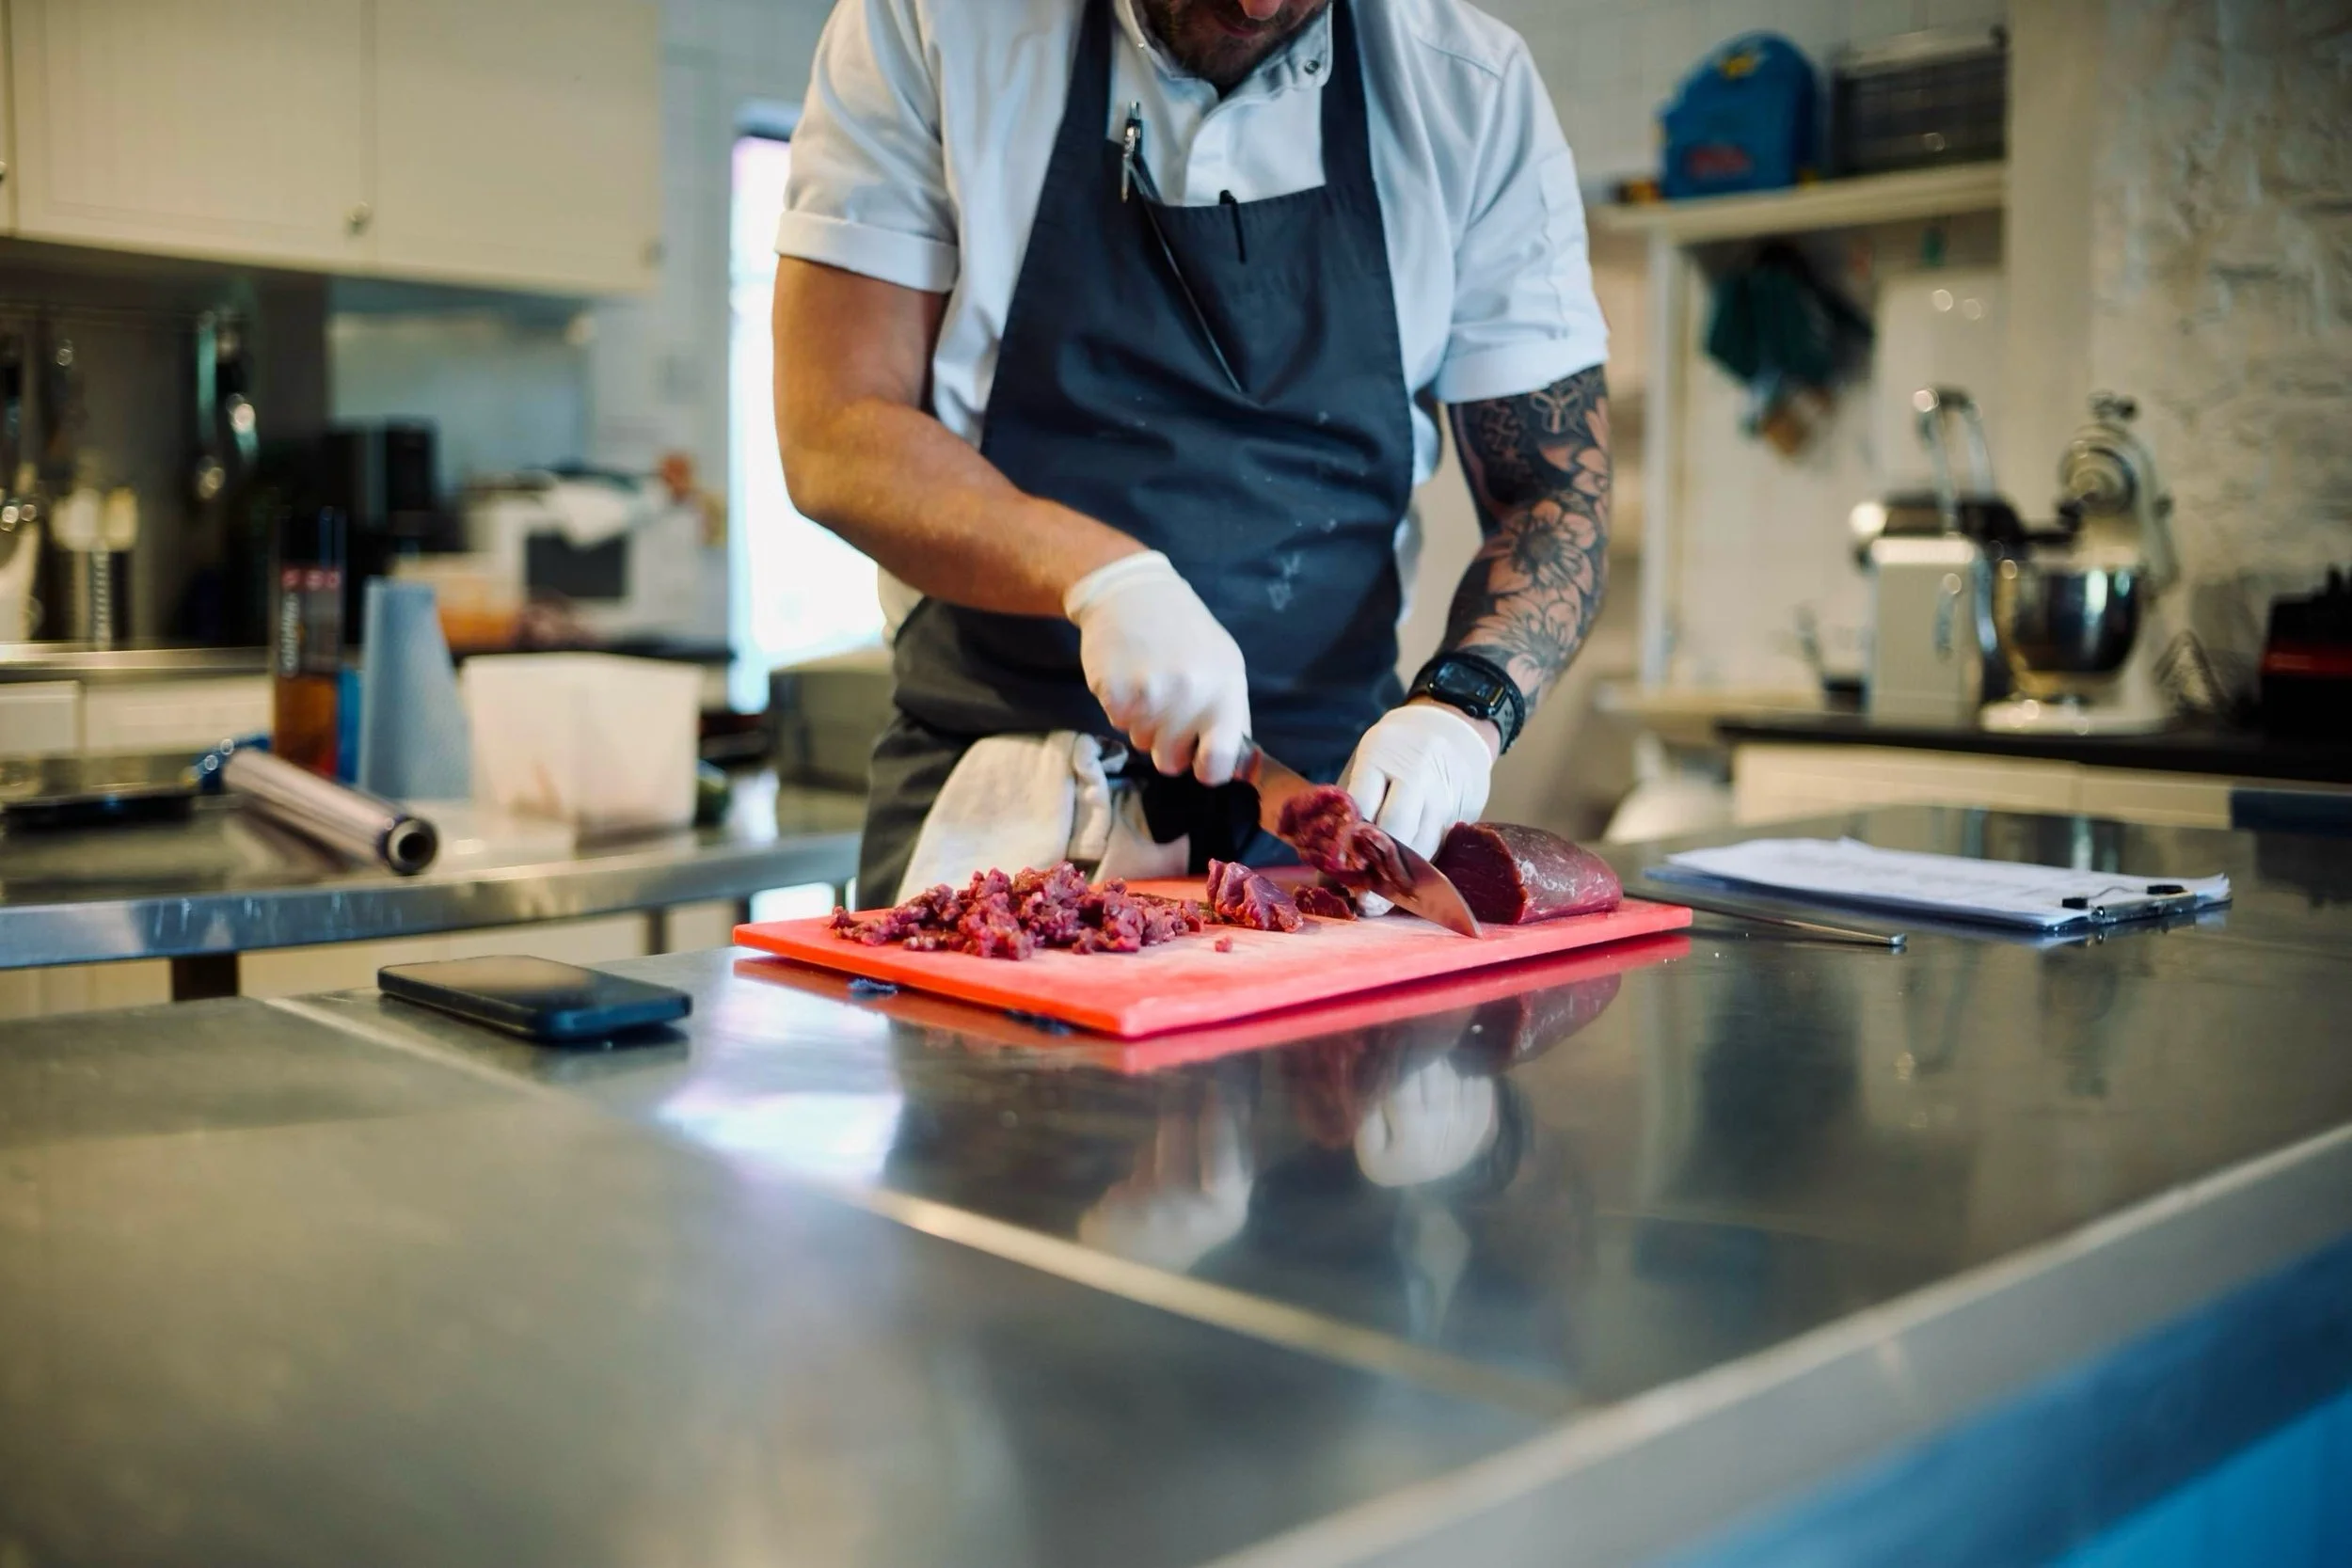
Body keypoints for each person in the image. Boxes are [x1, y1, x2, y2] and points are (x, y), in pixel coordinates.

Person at [774, 0, 1613, 904]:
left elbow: (1556, 493)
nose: (1256, 6)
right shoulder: (938, 25)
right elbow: (837, 431)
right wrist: (1101, 576)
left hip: (1324, 838)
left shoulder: (1468, 91)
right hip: (989, 804)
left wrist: (1461, 711)